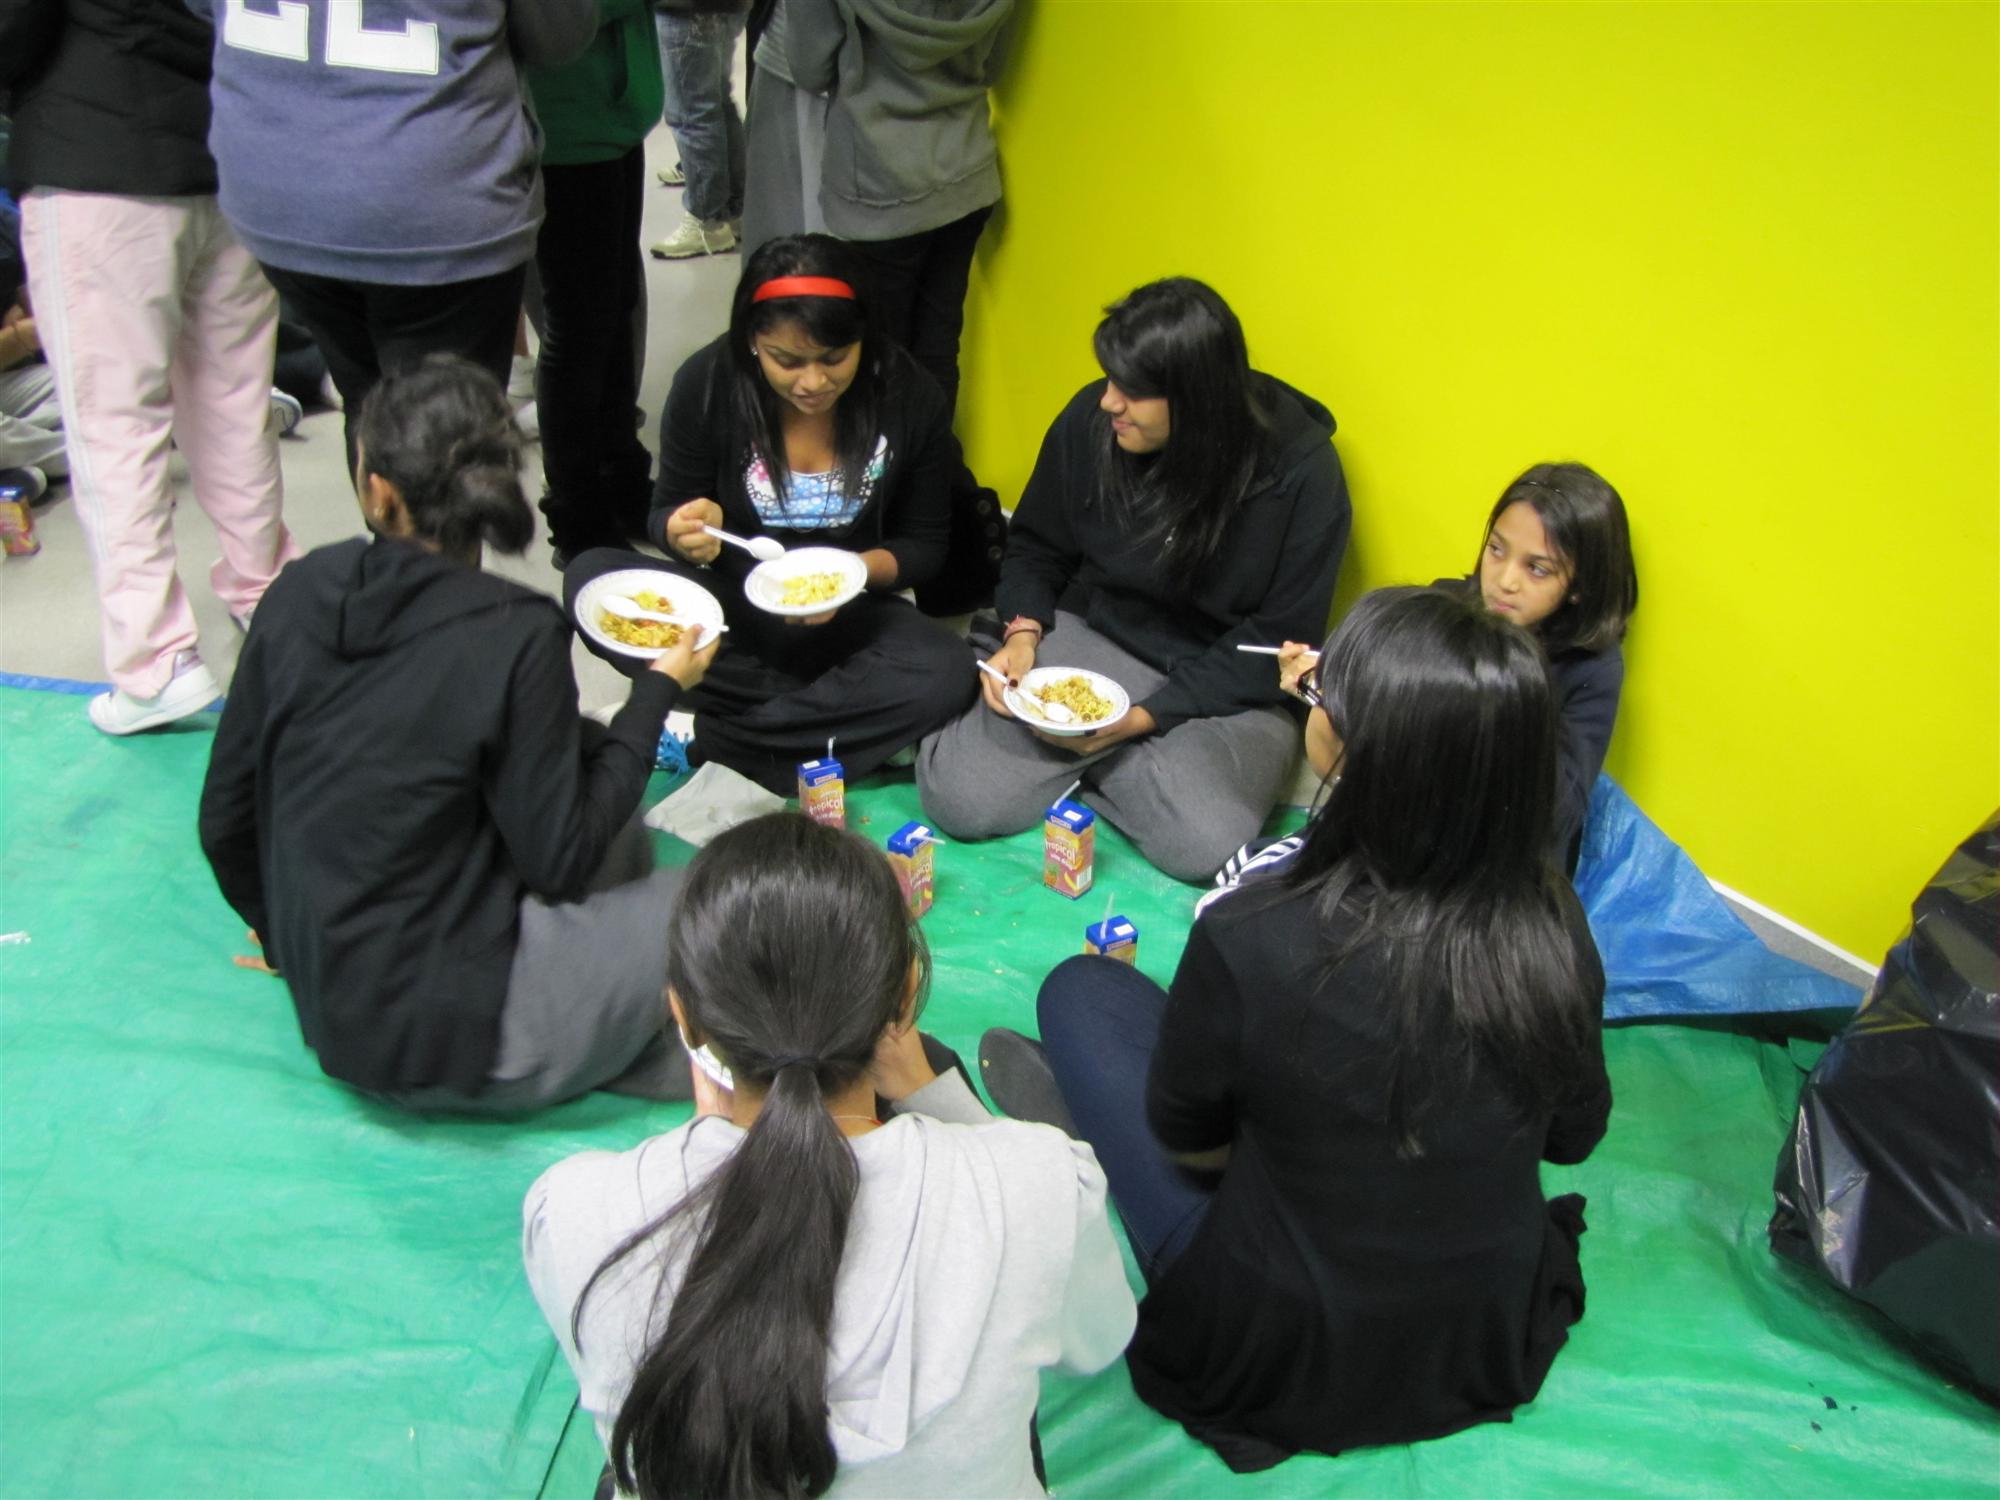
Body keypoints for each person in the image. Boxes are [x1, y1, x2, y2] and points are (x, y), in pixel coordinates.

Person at [980, 585, 1612, 1471]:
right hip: (1472, 1331)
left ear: (1345, 748)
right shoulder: (1554, 921)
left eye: (1320, 695)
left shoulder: (1257, 929)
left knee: (1082, 993)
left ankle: (1089, 1145)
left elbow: (1193, 1143)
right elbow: (1574, 1136)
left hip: (1281, 1341)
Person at [523, 812, 1137, 1498]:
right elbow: (1102, 1337)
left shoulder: (577, 1214)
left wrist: (705, 1141)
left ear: (684, 1017)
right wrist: (943, 1101)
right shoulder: (1038, 1190)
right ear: (905, 995)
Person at [199, 357, 718, 1113]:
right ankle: (655, 1043)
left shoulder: (300, 590)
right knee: (734, 893)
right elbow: (563, 861)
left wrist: (289, 940)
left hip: (337, 1014)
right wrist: (657, 692)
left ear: (377, 490)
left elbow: (224, 820)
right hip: (467, 1033)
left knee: (593, 774)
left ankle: (625, 1029)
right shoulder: (515, 632)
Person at [915, 276, 1350, 882]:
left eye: (1134, 391)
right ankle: (1098, 760)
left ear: (1198, 399)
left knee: (1206, 843)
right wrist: (1023, 632)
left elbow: (1280, 642)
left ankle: (1075, 757)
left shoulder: (1302, 473)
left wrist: (1141, 718)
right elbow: (1036, 545)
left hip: (1224, 683)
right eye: (1110, 380)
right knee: (958, 797)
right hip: (1100, 637)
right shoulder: (1092, 422)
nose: (1108, 403)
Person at [566, 234, 977, 792]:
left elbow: (925, 546)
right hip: (728, 608)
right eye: (787, 360)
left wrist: (846, 576)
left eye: (835, 358)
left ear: (864, 337)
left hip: (847, 614)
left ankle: (711, 737)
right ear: (753, 341)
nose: (813, 382)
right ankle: (842, 725)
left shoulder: (909, 395)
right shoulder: (708, 383)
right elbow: (665, 513)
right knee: (591, 575)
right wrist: (682, 530)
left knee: (948, 669)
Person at [4, 0, 298, 734]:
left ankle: (157, 662)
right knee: (236, 404)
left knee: (116, 423)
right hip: (229, 156)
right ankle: (272, 597)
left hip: (95, 160)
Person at [194, 0, 595, 471]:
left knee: (370, 410)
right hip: (432, 200)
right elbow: (561, 35)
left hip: (278, 187)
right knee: (448, 444)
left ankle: (390, 516)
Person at [526, 0, 664, 564]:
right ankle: (577, 517)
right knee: (578, 329)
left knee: (614, 306)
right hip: (564, 128)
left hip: (610, 116)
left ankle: (621, 479)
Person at [1455, 462, 1637, 866]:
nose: (1504, 581)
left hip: (1508, 862)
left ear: (1579, 586)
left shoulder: (1592, 668)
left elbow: (1558, 811)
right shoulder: (1450, 608)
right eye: (1496, 549)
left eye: (1536, 569)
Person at [649, 0, 750, 260]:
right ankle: (733, 210)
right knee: (717, 102)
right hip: (724, 7)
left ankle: (707, 220)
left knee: (691, 112)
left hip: (686, 9)